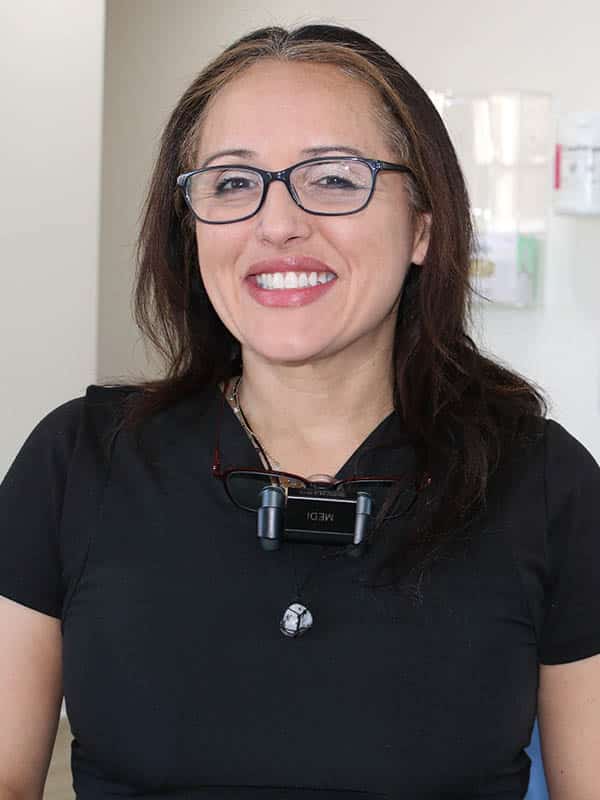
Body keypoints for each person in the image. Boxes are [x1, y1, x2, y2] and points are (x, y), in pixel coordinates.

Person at [0, 23, 599, 800]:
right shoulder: (78, 461)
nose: (277, 223)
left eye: (335, 178)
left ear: (422, 226)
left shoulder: (545, 484)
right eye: (231, 183)